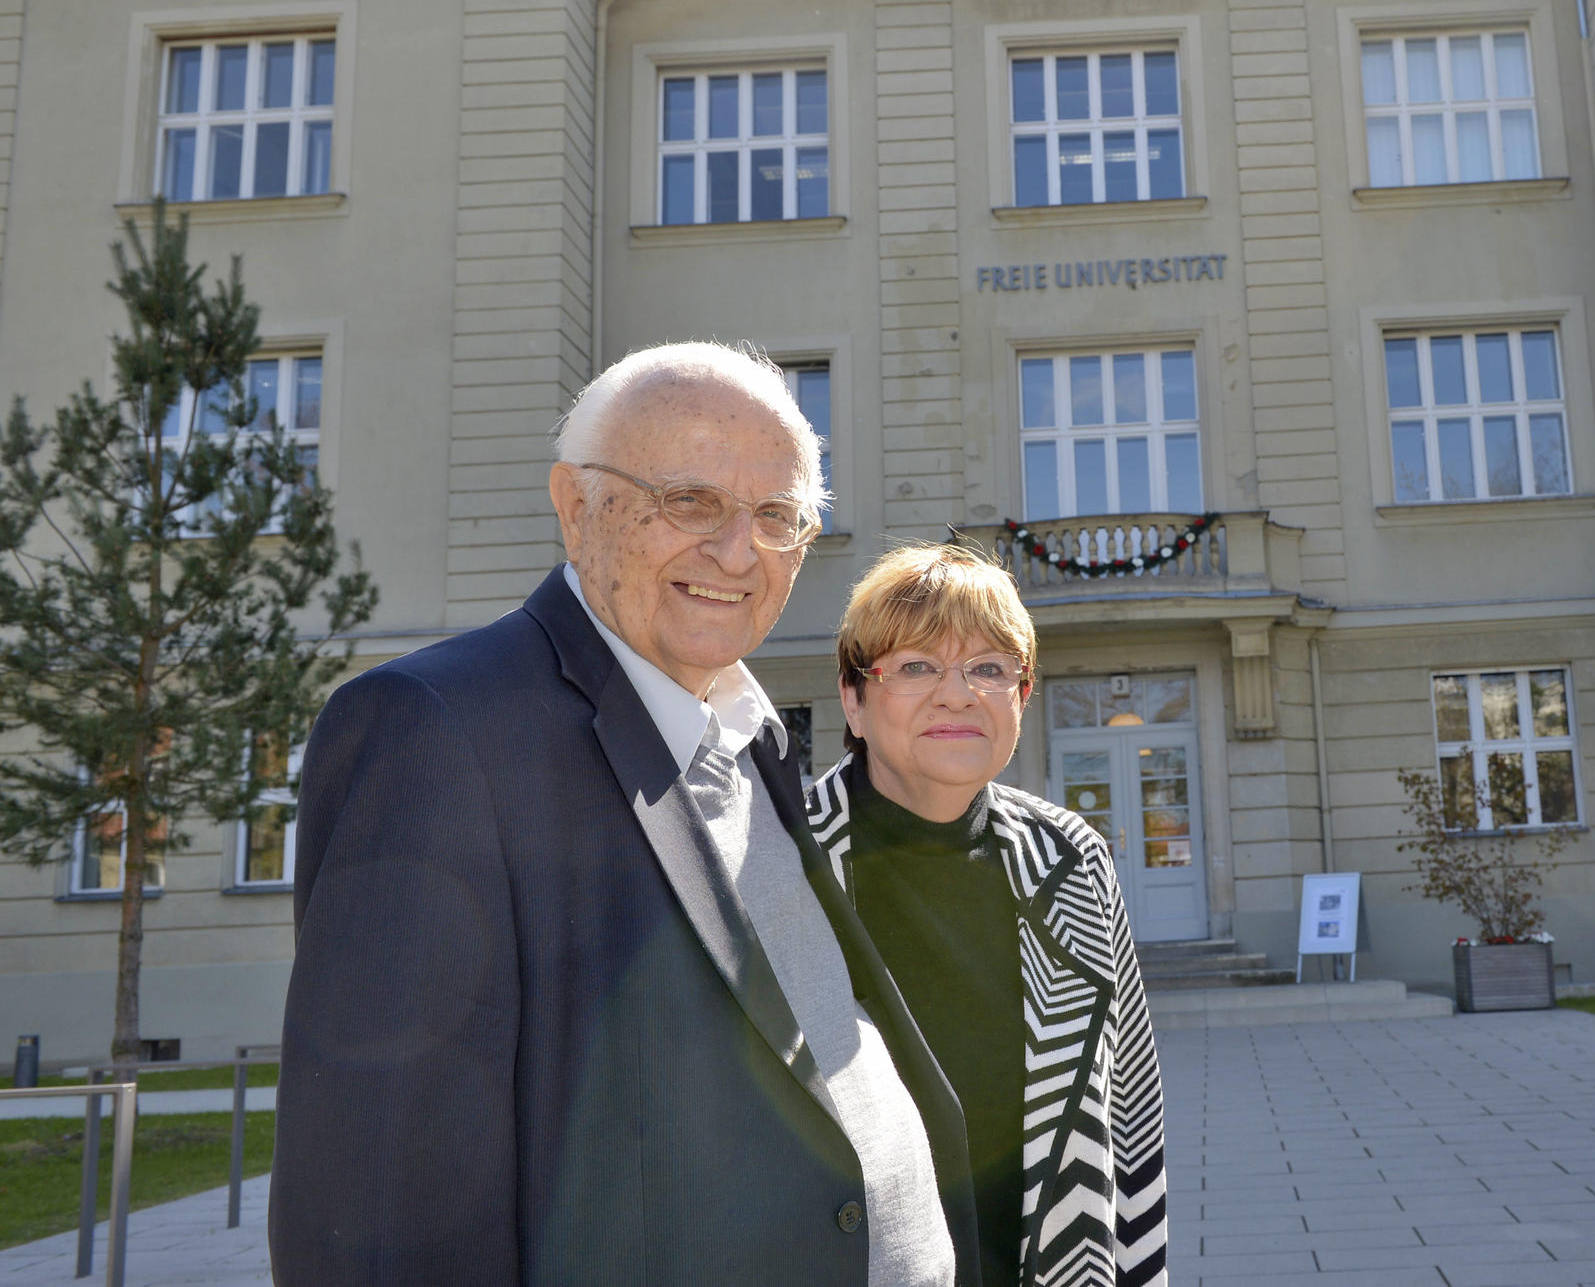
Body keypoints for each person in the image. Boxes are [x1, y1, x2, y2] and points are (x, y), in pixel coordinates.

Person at [270, 343, 978, 1284]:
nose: (738, 552)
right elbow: (376, 1221)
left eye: (777, 516)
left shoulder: (748, 729)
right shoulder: (437, 733)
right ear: (575, 506)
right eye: (689, 502)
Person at [806, 543, 1168, 1286]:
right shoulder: (779, 858)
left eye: (989, 668)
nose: (957, 693)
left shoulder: (1072, 857)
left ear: (1022, 696)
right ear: (853, 698)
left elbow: (1131, 1116)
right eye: (915, 666)